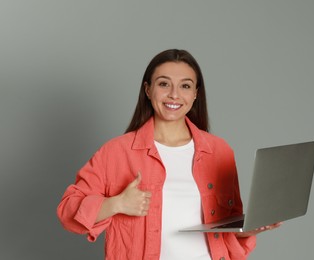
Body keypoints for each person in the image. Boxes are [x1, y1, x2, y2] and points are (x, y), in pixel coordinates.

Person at [57, 49, 281, 260]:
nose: (174, 95)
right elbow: (68, 212)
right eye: (164, 84)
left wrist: (250, 227)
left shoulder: (219, 151)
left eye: (185, 86)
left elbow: (226, 228)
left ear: (195, 94)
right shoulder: (116, 152)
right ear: (148, 89)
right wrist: (116, 204)